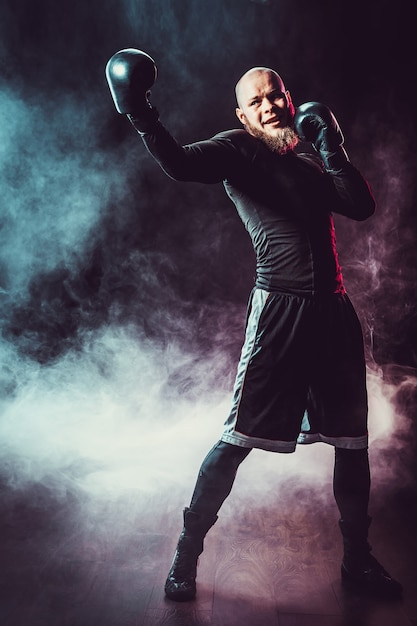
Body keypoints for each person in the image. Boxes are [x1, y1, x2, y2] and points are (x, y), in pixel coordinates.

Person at [105, 50, 403, 602]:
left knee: (352, 443)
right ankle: (185, 555)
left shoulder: (310, 152)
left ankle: (357, 562)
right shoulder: (235, 149)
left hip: (333, 313)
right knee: (237, 439)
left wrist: (332, 146)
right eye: (256, 101)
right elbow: (179, 162)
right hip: (281, 314)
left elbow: (360, 206)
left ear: (289, 101)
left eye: (275, 95)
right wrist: (139, 113)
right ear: (242, 115)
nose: (268, 106)